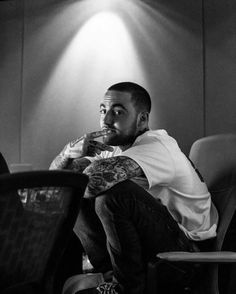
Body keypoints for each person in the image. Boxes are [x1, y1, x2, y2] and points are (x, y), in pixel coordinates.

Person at [50, 82, 218, 294]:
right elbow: (58, 186)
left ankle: (126, 288)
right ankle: (111, 276)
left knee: (113, 196)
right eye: (103, 110)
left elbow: (91, 184)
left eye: (118, 112)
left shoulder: (156, 146)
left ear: (142, 120)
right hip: (154, 253)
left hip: (185, 260)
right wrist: (67, 153)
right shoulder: (114, 149)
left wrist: (81, 175)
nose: (106, 119)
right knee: (70, 197)